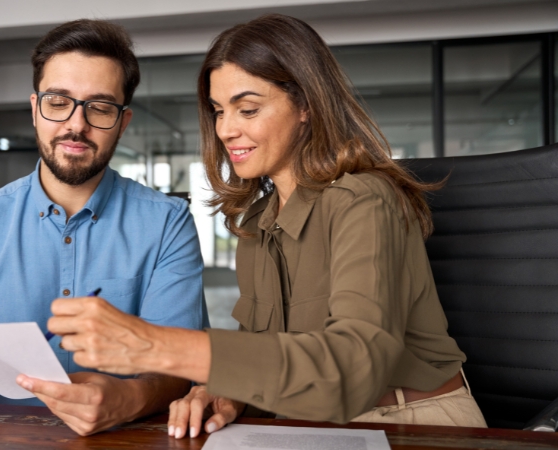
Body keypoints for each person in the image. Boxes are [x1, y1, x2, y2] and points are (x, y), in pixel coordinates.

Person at [45, 14, 487, 439]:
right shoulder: (257, 225)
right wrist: (229, 392)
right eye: (219, 111)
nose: (226, 130)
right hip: (312, 425)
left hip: (413, 420)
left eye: (248, 108)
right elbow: (272, 359)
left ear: (306, 106)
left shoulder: (366, 200)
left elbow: (352, 370)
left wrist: (156, 346)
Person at [0, 19, 208, 436]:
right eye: (58, 101)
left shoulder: (167, 223)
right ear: (35, 109)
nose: (76, 125)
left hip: (129, 441)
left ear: (123, 121)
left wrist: (127, 399)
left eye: (99, 108)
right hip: (2, 440)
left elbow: (181, 366)